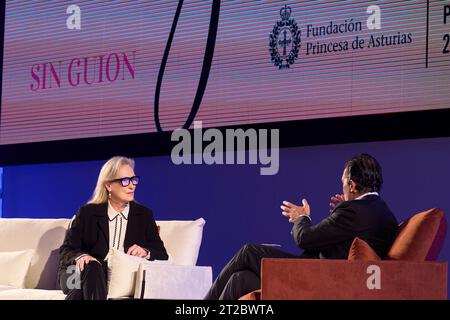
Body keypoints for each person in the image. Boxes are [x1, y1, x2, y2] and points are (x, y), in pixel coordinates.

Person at [204, 153, 399, 300]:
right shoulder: (385, 215)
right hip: (330, 278)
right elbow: (344, 239)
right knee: (240, 280)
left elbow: (305, 238)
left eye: (343, 184)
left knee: (248, 252)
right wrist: (344, 208)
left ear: (353, 185)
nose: (343, 189)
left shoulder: (354, 212)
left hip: (315, 281)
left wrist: (301, 217)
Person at [58, 156, 168, 300]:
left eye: (134, 180)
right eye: (125, 181)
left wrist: (145, 251)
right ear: (109, 185)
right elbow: (66, 250)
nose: (132, 186)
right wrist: (82, 256)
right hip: (74, 273)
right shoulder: (87, 213)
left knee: (80, 292)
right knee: (92, 267)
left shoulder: (144, 215)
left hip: (113, 278)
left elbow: (161, 254)